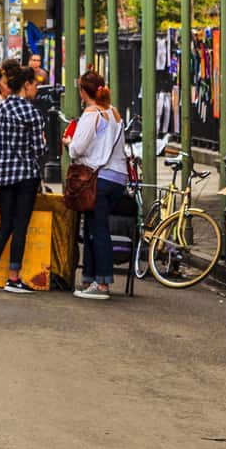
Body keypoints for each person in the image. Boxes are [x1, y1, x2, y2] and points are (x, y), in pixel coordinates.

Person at [68, 72, 137, 300]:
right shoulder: (114, 113)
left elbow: (77, 149)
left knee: (98, 230)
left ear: (82, 92)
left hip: (99, 179)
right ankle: (88, 278)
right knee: (91, 227)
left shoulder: (91, 114)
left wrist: (68, 143)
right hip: (118, 178)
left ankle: (102, 283)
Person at [0, 61, 46, 293]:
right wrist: (25, 154)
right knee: (20, 225)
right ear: (25, 86)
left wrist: (3, 156)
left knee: (5, 224)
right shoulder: (31, 112)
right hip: (26, 174)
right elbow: (39, 149)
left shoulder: (0, 109)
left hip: (3, 174)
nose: (35, 89)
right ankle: (13, 278)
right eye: (34, 85)